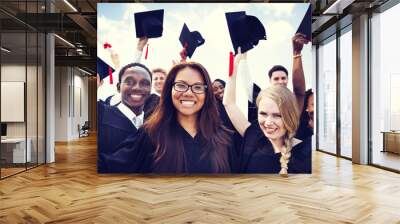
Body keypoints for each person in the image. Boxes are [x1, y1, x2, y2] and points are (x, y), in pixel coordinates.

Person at [100, 62, 239, 173]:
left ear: (207, 94)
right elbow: (110, 166)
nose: (189, 93)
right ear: (169, 90)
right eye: (180, 85)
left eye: (198, 87)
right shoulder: (151, 135)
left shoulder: (224, 138)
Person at [223, 49, 311, 176]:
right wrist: (235, 64)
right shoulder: (253, 134)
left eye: (277, 115)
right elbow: (229, 103)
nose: (268, 122)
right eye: (263, 114)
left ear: (290, 116)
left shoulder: (305, 155)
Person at [97, 62, 154, 172]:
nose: (137, 87)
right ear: (119, 87)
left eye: (145, 83)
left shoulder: (154, 126)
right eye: (129, 82)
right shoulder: (101, 115)